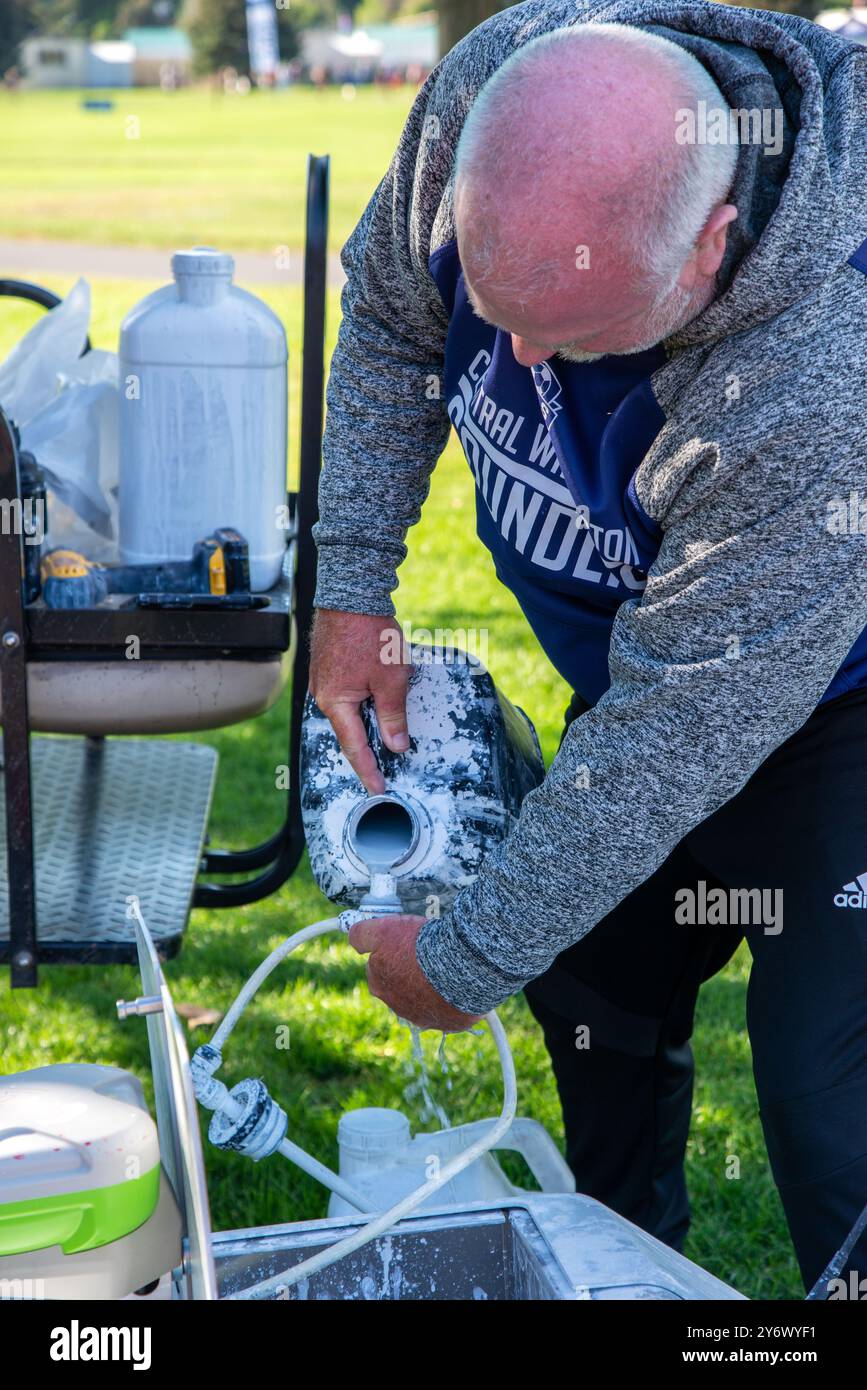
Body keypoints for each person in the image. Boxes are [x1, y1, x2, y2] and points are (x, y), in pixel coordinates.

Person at [309, 4, 867, 1290]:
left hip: (832, 706)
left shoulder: (817, 364)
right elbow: (398, 325)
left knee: (828, 1092)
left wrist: (454, 966)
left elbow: (681, 729)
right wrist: (353, 594)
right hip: (649, 669)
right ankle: (621, 1276)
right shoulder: (484, 98)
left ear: (710, 248)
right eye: (504, 317)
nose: (518, 365)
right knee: (593, 986)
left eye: (572, 336)